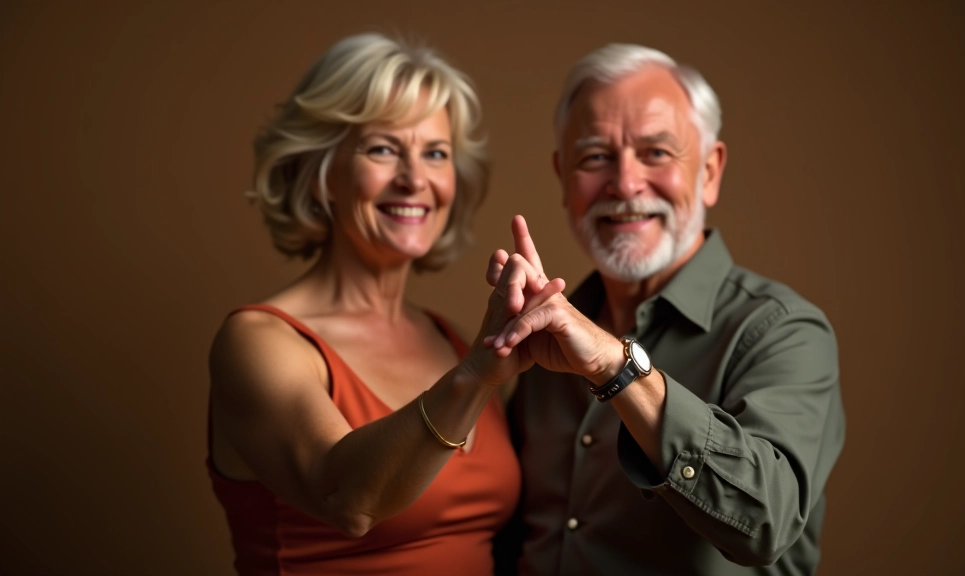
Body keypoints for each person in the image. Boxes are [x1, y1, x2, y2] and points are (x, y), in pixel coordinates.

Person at [205, 33, 564, 575]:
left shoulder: (454, 338)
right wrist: (475, 374)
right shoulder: (258, 342)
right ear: (320, 170)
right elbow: (349, 501)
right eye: (382, 149)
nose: (414, 179)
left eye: (435, 154)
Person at [486, 44, 846, 575]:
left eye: (656, 153)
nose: (626, 184)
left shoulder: (783, 330)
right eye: (595, 157)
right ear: (564, 177)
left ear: (709, 171)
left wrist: (619, 369)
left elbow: (766, 522)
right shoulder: (545, 332)